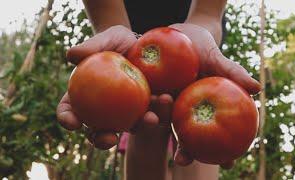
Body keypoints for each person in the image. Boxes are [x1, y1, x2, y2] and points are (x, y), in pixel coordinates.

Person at [56, 0, 261, 180]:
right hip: (131, 52)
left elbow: (207, 14)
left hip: (196, 53)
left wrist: (193, 44)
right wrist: (109, 64)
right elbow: (108, 18)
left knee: (199, 146)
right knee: (146, 126)